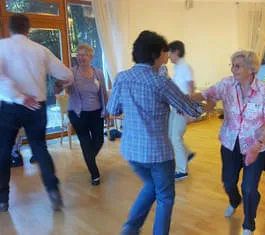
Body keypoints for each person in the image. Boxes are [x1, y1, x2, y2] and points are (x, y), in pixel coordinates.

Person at [107, 30, 204, 235]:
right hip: (158, 153)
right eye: (163, 51)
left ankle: (130, 228)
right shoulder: (160, 82)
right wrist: (208, 96)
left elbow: (113, 109)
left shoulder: (122, 77)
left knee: (151, 185)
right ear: (155, 54)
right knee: (165, 197)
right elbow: (192, 109)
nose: (166, 55)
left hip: (131, 151)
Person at [191, 50, 265, 235]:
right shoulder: (227, 84)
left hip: (256, 145)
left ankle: (249, 224)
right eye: (232, 65)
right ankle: (234, 200)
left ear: (251, 68)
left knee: (249, 188)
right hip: (230, 143)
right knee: (229, 183)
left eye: (237, 66)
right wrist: (180, 97)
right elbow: (205, 94)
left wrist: (258, 144)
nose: (233, 69)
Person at [0, 14, 73, 212]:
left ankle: (2, 199)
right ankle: (53, 191)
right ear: (28, 29)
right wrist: (60, 84)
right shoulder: (40, 50)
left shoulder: (2, 47)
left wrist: (20, 97)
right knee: (40, 148)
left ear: (10, 28)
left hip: (10, 106)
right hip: (36, 107)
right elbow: (67, 75)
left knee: (3, 150)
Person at [55, 43, 108, 186]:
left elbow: (103, 93)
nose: (80, 57)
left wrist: (106, 111)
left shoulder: (98, 73)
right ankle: (94, 174)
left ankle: (89, 159)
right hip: (78, 114)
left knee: (99, 140)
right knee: (85, 142)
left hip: (96, 112)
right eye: (78, 54)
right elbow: (58, 89)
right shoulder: (71, 72)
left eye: (83, 54)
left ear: (91, 56)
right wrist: (58, 84)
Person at [168, 40, 196, 181]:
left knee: (175, 138)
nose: (168, 56)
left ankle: (182, 170)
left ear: (176, 52)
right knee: (170, 135)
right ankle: (187, 154)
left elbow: (191, 88)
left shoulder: (185, 66)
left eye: (169, 52)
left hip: (182, 108)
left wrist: (189, 111)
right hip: (176, 106)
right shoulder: (178, 67)